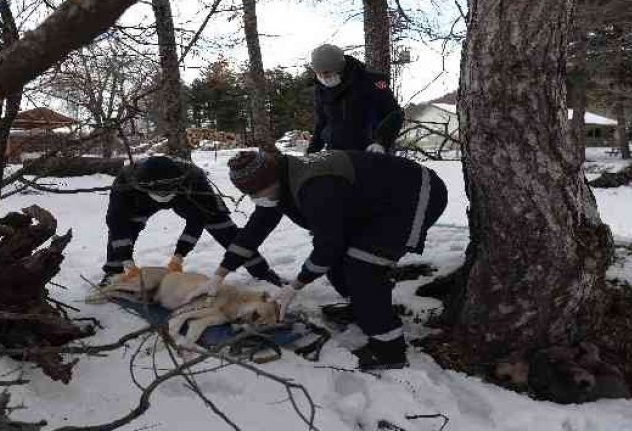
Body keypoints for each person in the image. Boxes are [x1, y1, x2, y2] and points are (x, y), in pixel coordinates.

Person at [194, 150, 447, 370]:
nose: (255, 199)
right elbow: (255, 230)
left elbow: (329, 245)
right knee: (338, 267)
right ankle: (364, 309)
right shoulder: (277, 181)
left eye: (256, 192)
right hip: (372, 203)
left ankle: (389, 350)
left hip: (413, 197)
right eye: (249, 194)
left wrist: (295, 285)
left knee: (364, 268)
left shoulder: (316, 186)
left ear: (270, 181)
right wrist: (220, 272)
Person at [101, 156, 283, 287]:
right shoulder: (126, 181)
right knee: (125, 228)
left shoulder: (194, 178)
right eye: (160, 193)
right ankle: (113, 272)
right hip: (142, 199)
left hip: (185, 195)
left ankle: (262, 272)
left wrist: (179, 255)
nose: (163, 197)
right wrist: (126, 259)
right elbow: (116, 222)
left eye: (166, 192)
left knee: (224, 229)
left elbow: (198, 220)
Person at [307, 44, 404, 154]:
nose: (323, 78)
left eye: (327, 73)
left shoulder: (371, 82)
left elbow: (394, 114)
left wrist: (381, 142)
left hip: (370, 152)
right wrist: (311, 153)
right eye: (318, 74)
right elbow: (321, 123)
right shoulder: (321, 89)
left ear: (339, 69)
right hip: (337, 155)